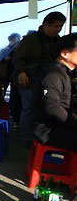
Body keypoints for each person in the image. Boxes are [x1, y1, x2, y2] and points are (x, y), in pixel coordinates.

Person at [13, 12, 66, 144]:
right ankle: (26, 139)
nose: (58, 29)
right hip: (29, 82)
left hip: (47, 84)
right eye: (55, 26)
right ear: (45, 24)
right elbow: (18, 58)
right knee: (29, 110)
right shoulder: (30, 40)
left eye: (60, 26)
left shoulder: (59, 42)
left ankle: (40, 139)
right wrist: (21, 72)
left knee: (45, 110)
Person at [33, 33, 77, 151]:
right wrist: (73, 123)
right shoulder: (54, 74)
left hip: (59, 126)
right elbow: (52, 107)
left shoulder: (65, 73)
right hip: (47, 130)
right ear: (64, 54)